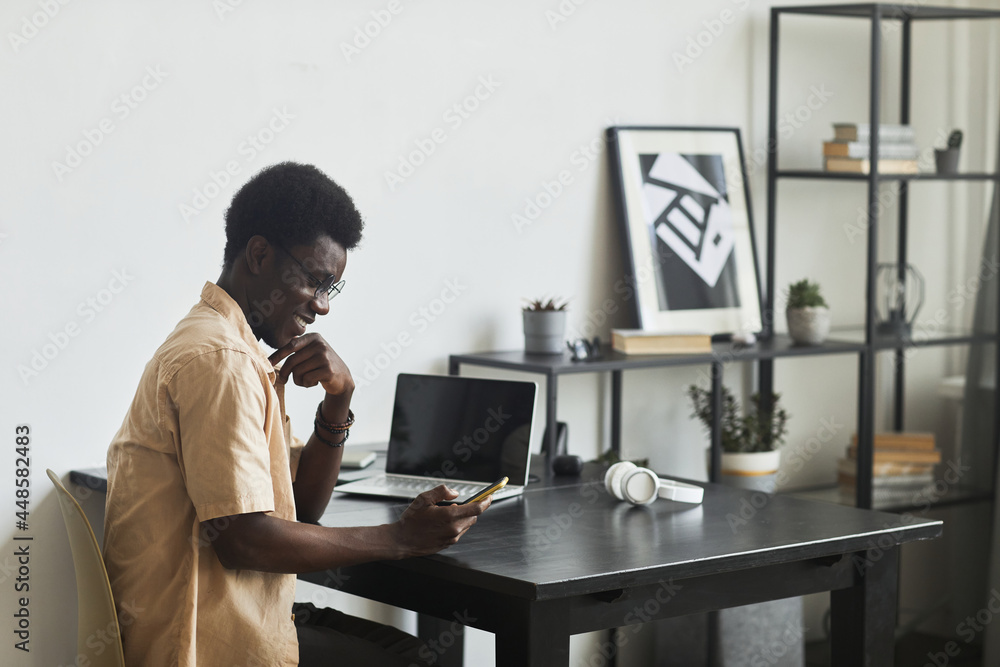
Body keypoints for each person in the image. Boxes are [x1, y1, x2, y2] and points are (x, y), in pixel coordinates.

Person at [103, 162, 489, 667]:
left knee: (413, 653)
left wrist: (338, 401)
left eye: (333, 288)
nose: (324, 306)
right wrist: (399, 538)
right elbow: (244, 541)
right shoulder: (223, 361)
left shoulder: (231, 345)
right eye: (317, 280)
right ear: (260, 254)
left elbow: (301, 510)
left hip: (233, 612)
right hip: (201, 641)